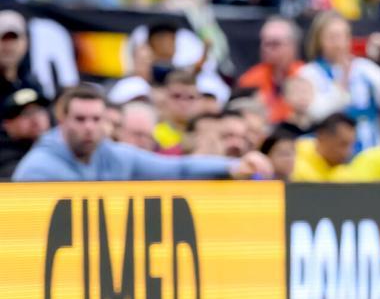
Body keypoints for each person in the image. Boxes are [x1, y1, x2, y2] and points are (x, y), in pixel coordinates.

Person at [13, 85, 271, 181]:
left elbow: (176, 169)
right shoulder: (37, 170)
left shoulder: (113, 155)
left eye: (96, 119)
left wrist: (233, 166)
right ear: (62, 120)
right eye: (80, 119)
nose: (89, 127)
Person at [297, 12, 380, 153]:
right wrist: (342, 83)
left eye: (343, 36)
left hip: (371, 147)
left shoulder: (364, 68)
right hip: (332, 150)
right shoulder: (308, 73)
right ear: (319, 40)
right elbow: (316, 113)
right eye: (332, 38)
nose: (339, 43)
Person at [237, 17, 304, 124]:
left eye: (275, 43)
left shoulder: (306, 74)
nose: (266, 48)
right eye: (264, 43)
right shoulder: (249, 79)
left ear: (293, 46)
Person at [0, 86, 51, 177]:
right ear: (7, 124)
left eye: (39, 110)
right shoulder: (5, 157)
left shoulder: (59, 145)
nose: (35, 118)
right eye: (26, 113)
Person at [291, 112, 357, 181]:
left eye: (351, 145)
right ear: (322, 137)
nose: (349, 152)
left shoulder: (345, 174)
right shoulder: (292, 162)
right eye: (342, 144)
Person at [0, 10, 44, 104]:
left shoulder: (32, 85)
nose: (8, 46)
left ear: (26, 42)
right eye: (3, 38)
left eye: (13, 38)